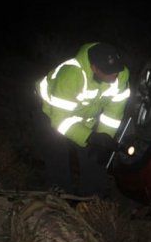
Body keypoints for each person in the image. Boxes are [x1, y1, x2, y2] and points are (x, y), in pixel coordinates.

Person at [35, 42, 130, 196]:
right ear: (94, 68)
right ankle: (58, 194)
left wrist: (103, 138)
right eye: (108, 72)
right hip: (50, 111)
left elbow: (113, 115)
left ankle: (93, 198)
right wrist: (89, 137)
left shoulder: (122, 75)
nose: (114, 76)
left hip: (85, 115)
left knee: (94, 154)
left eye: (116, 70)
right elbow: (61, 120)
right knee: (56, 150)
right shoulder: (71, 75)